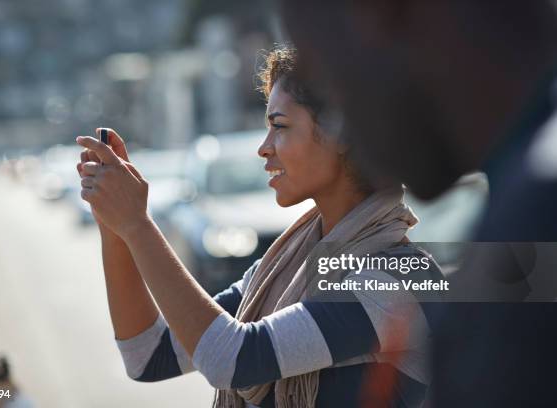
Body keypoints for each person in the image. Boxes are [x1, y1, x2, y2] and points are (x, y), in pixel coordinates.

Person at [76, 47, 442, 407]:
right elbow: (148, 356)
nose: (264, 148)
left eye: (279, 126)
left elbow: (234, 360)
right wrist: (115, 225)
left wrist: (137, 224)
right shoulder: (283, 267)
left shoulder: (402, 280)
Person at [277, 1, 557, 406]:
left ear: (380, 13)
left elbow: (231, 351)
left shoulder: (537, 212)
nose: (337, 123)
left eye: (317, 69)